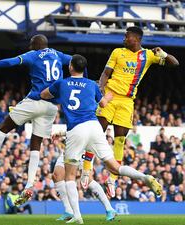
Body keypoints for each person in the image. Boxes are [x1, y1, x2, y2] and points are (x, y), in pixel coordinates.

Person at [41, 54, 162, 224]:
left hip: (76, 131)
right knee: (114, 167)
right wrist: (108, 98)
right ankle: (144, 178)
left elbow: (44, 94)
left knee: (69, 176)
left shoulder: (62, 83)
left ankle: (78, 216)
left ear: (70, 67)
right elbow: (103, 104)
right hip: (94, 128)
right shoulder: (92, 84)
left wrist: (55, 92)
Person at [0, 34, 72, 205]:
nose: (29, 48)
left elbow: (10, 62)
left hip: (35, 101)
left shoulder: (33, 55)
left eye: (31, 46)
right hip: (51, 108)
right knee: (36, 144)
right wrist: (80, 79)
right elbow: (78, 60)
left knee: (3, 127)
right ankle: (29, 184)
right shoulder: (58, 54)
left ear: (35, 46)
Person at [81, 26, 179, 197]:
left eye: (127, 36)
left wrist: (163, 54)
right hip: (110, 96)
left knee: (120, 141)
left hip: (127, 102)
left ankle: (112, 179)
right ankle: (86, 169)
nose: (124, 39)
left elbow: (175, 63)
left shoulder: (147, 56)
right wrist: (101, 91)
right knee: (96, 132)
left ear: (136, 38)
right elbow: (105, 74)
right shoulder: (118, 52)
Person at [52, 150, 116, 221]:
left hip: (83, 145)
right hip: (69, 146)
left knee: (87, 179)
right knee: (57, 175)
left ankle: (109, 209)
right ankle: (69, 210)